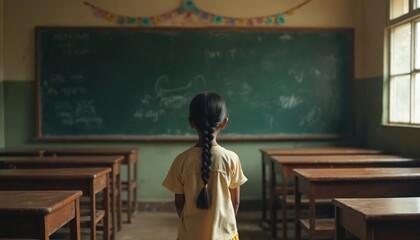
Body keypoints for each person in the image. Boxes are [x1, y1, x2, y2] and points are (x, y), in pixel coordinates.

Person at [162, 92, 248, 240]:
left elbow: (179, 203)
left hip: (190, 235)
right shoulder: (231, 159)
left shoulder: (181, 160)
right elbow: (236, 202)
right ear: (224, 122)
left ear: (191, 122)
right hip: (225, 235)